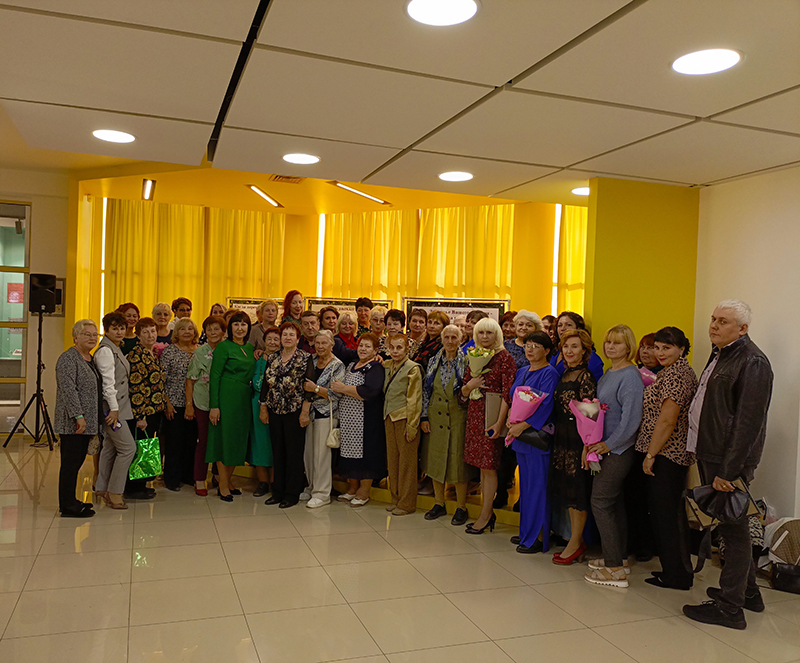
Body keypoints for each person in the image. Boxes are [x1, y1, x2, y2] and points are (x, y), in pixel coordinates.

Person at [683, 301, 773, 630]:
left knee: (733, 531)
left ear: (743, 328)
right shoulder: (722, 353)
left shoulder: (752, 361)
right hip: (712, 453)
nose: (714, 325)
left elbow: (748, 424)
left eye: (723, 321)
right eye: (713, 319)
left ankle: (729, 608)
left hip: (727, 460)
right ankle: (747, 593)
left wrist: (729, 471)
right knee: (733, 525)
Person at [635, 326, 698, 590]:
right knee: (667, 514)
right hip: (666, 452)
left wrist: (651, 454)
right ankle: (674, 570)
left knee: (667, 515)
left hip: (667, 453)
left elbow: (667, 420)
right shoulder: (673, 371)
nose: (660, 353)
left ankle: (677, 575)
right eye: (657, 347)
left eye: (667, 348)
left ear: (681, 349)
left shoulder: (676, 376)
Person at [584, 325, 644, 588]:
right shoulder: (610, 372)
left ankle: (614, 570)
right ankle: (619, 557)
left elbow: (631, 420)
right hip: (604, 447)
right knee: (614, 504)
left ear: (628, 347)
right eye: (608, 342)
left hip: (618, 450)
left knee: (600, 502)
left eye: (617, 343)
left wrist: (608, 445)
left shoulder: (630, 376)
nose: (610, 346)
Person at [459, 317, 517, 534]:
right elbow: (464, 389)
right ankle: (486, 511)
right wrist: (470, 386)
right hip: (475, 415)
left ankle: (486, 514)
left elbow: (507, 394)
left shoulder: (505, 358)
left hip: (492, 416)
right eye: (481, 333)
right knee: (482, 467)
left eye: (489, 333)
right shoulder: (474, 354)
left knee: (490, 467)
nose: (484, 337)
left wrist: (498, 423)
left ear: (497, 335)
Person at [506, 331, 559, 553]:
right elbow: (514, 399)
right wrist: (511, 420)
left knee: (538, 489)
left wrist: (523, 425)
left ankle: (538, 536)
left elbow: (545, 405)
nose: (530, 349)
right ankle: (526, 532)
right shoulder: (522, 371)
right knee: (525, 489)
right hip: (520, 437)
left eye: (536, 346)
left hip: (536, 436)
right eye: (527, 345)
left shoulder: (550, 373)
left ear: (547, 351)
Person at [550, 328, 597, 564]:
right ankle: (574, 539)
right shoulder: (566, 373)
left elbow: (590, 415)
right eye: (566, 347)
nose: (569, 351)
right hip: (562, 437)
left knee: (578, 491)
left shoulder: (585, 377)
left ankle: (576, 542)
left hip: (578, 439)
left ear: (584, 350)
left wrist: (587, 446)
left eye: (574, 346)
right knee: (568, 489)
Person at [421, 325, 471, 525]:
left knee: (458, 464)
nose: (450, 341)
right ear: (441, 339)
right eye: (447, 337)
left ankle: (461, 507)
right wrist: (424, 417)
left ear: (461, 339)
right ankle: (438, 503)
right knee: (435, 461)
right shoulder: (433, 361)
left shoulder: (468, 362)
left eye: (454, 337)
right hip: (436, 418)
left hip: (458, 418)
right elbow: (426, 391)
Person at [259, 321, 312, 508]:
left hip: (295, 411)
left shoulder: (305, 358)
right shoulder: (273, 357)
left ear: (298, 339)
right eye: (285, 335)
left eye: (292, 335)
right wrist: (263, 407)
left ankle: (291, 493)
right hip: (275, 410)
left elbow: (309, 387)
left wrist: (305, 412)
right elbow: (265, 384)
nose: (288, 338)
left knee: (294, 453)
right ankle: (277, 492)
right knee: (278, 451)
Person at [497, 309, 545, 510]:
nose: (523, 327)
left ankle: (522, 500)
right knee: (505, 455)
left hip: (531, 410)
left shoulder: (541, 350)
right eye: (520, 324)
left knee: (525, 458)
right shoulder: (505, 346)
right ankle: (501, 493)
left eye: (528, 325)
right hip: (506, 404)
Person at [331, 333, 386, 507]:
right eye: (361, 345)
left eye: (368, 346)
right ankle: (352, 487)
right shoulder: (352, 364)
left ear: (375, 350)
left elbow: (369, 392)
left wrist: (343, 388)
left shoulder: (375, 367)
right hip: (348, 419)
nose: (363, 349)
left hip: (366, 419)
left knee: (366, 455)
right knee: (349, 454)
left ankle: (364, 491)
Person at [54, 319, 102, 518]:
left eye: (94, 334)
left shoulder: (90, 359)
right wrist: (78, 416)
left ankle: (72, 500)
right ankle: (67, 506)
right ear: (75, 337)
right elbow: (68, 390)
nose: (92, 338)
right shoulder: (68, 358)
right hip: (73, 422)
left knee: (78, 462)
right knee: (70, 464)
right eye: (86, 334)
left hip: (87, 421)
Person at [208, 311, 256, 501]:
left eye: (243, 324)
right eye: (236, 324)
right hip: (226, 397)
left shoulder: (250, 348)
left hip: (244, 399)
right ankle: (223, 484)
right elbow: (214, 377)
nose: (240, 328)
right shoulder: (223, 347)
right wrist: (214, 406)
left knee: (238, 440)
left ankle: (228, 481)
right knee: (225, 440)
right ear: (230, 328)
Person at [94, 312, 137, 510]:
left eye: (121, 328)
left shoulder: (115, 347)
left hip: (119, 406)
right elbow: (108, 384)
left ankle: (102, 488)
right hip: (112, 408)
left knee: (110, 448)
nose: (119, 332)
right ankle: (115, 492)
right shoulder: (106, 351)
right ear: (106, 330)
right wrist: (113, 409)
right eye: (114, 328)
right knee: (128, 448)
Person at [302, 330, 345, 508]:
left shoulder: (337, 365)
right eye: (317, 343)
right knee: (309, 454)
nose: (320, 346)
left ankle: (322, 493)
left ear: (331, 345)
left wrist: (316, 389)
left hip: (326, 414)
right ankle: (311, 487)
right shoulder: (311, 360)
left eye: (324, 343)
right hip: (309, 413)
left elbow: (336, 394)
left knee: (322, 456)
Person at [124, 316, 166, 501]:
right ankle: (133, 488)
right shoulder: (137, 355)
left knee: (147, 446)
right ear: (138, 335)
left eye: (153, 331)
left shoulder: (152, 352)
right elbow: (136, 387)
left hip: (154, 410)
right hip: (143, 412)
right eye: (146, 332)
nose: (150, 335)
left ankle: (142, 484)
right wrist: (140, 416)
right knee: (140, 447)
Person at [382, 334, 423, 515]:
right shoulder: (387, 365)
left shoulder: (412, 368)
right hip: (388, 417)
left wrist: (412, 425)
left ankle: (407, 503)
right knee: (393, 461)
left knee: (407, 463)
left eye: (399, 347)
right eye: (392, 347)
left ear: (407, 349)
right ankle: (395, 498)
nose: (395, 351)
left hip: (405, 418)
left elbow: (415, 399)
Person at [187, 315, 227, 496]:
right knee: (204, 441)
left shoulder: (228, 350)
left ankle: (220, 477)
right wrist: (189, 405)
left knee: (221, 441)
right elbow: (190, 380)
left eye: (216, 329)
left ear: (223, 331)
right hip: (203, 402)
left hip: (224, 402)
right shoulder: (199, 353)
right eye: (209, 329)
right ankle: (199, 478)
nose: (213, 332)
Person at [159, 318, 199, 491]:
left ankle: (187, 475)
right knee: (174, 443)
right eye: (183, 329)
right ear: (176, 332)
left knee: (191, 442)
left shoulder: (200, 351)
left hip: (196, 404)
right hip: (174, 403)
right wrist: (167, 403)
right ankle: (172, 478)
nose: (187, 332)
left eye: (190, 329)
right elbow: (161, 379)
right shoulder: (169, 352)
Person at [250, 326, 279, 497]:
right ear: (264, 341)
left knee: (275, 444)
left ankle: (276, 481)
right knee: (259, 443)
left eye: (276, 339)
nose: (273, 342)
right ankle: (262, 482)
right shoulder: (257, 358)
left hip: (277, 406)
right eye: (269, 339)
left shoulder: (283, 359)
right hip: (256, 405)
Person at [550, 311, 605, 382]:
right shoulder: (556, 352)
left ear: (578, 328)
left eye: (568, 325)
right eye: (560, 325)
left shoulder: (591, 357)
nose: (563, 328)